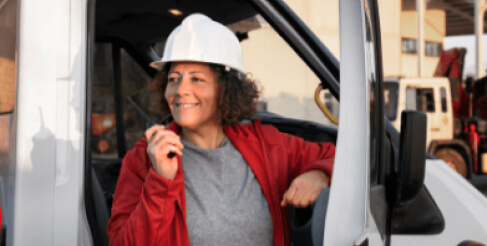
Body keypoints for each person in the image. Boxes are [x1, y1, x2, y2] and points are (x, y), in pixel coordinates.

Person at [107, 13, 335, 246]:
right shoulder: (143, 159)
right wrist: (160, 181)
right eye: (174, 79)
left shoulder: (267, 145)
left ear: (225, 90)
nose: (180, 90)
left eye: (196, 79)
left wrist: (319, 174)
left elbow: (339, 156)